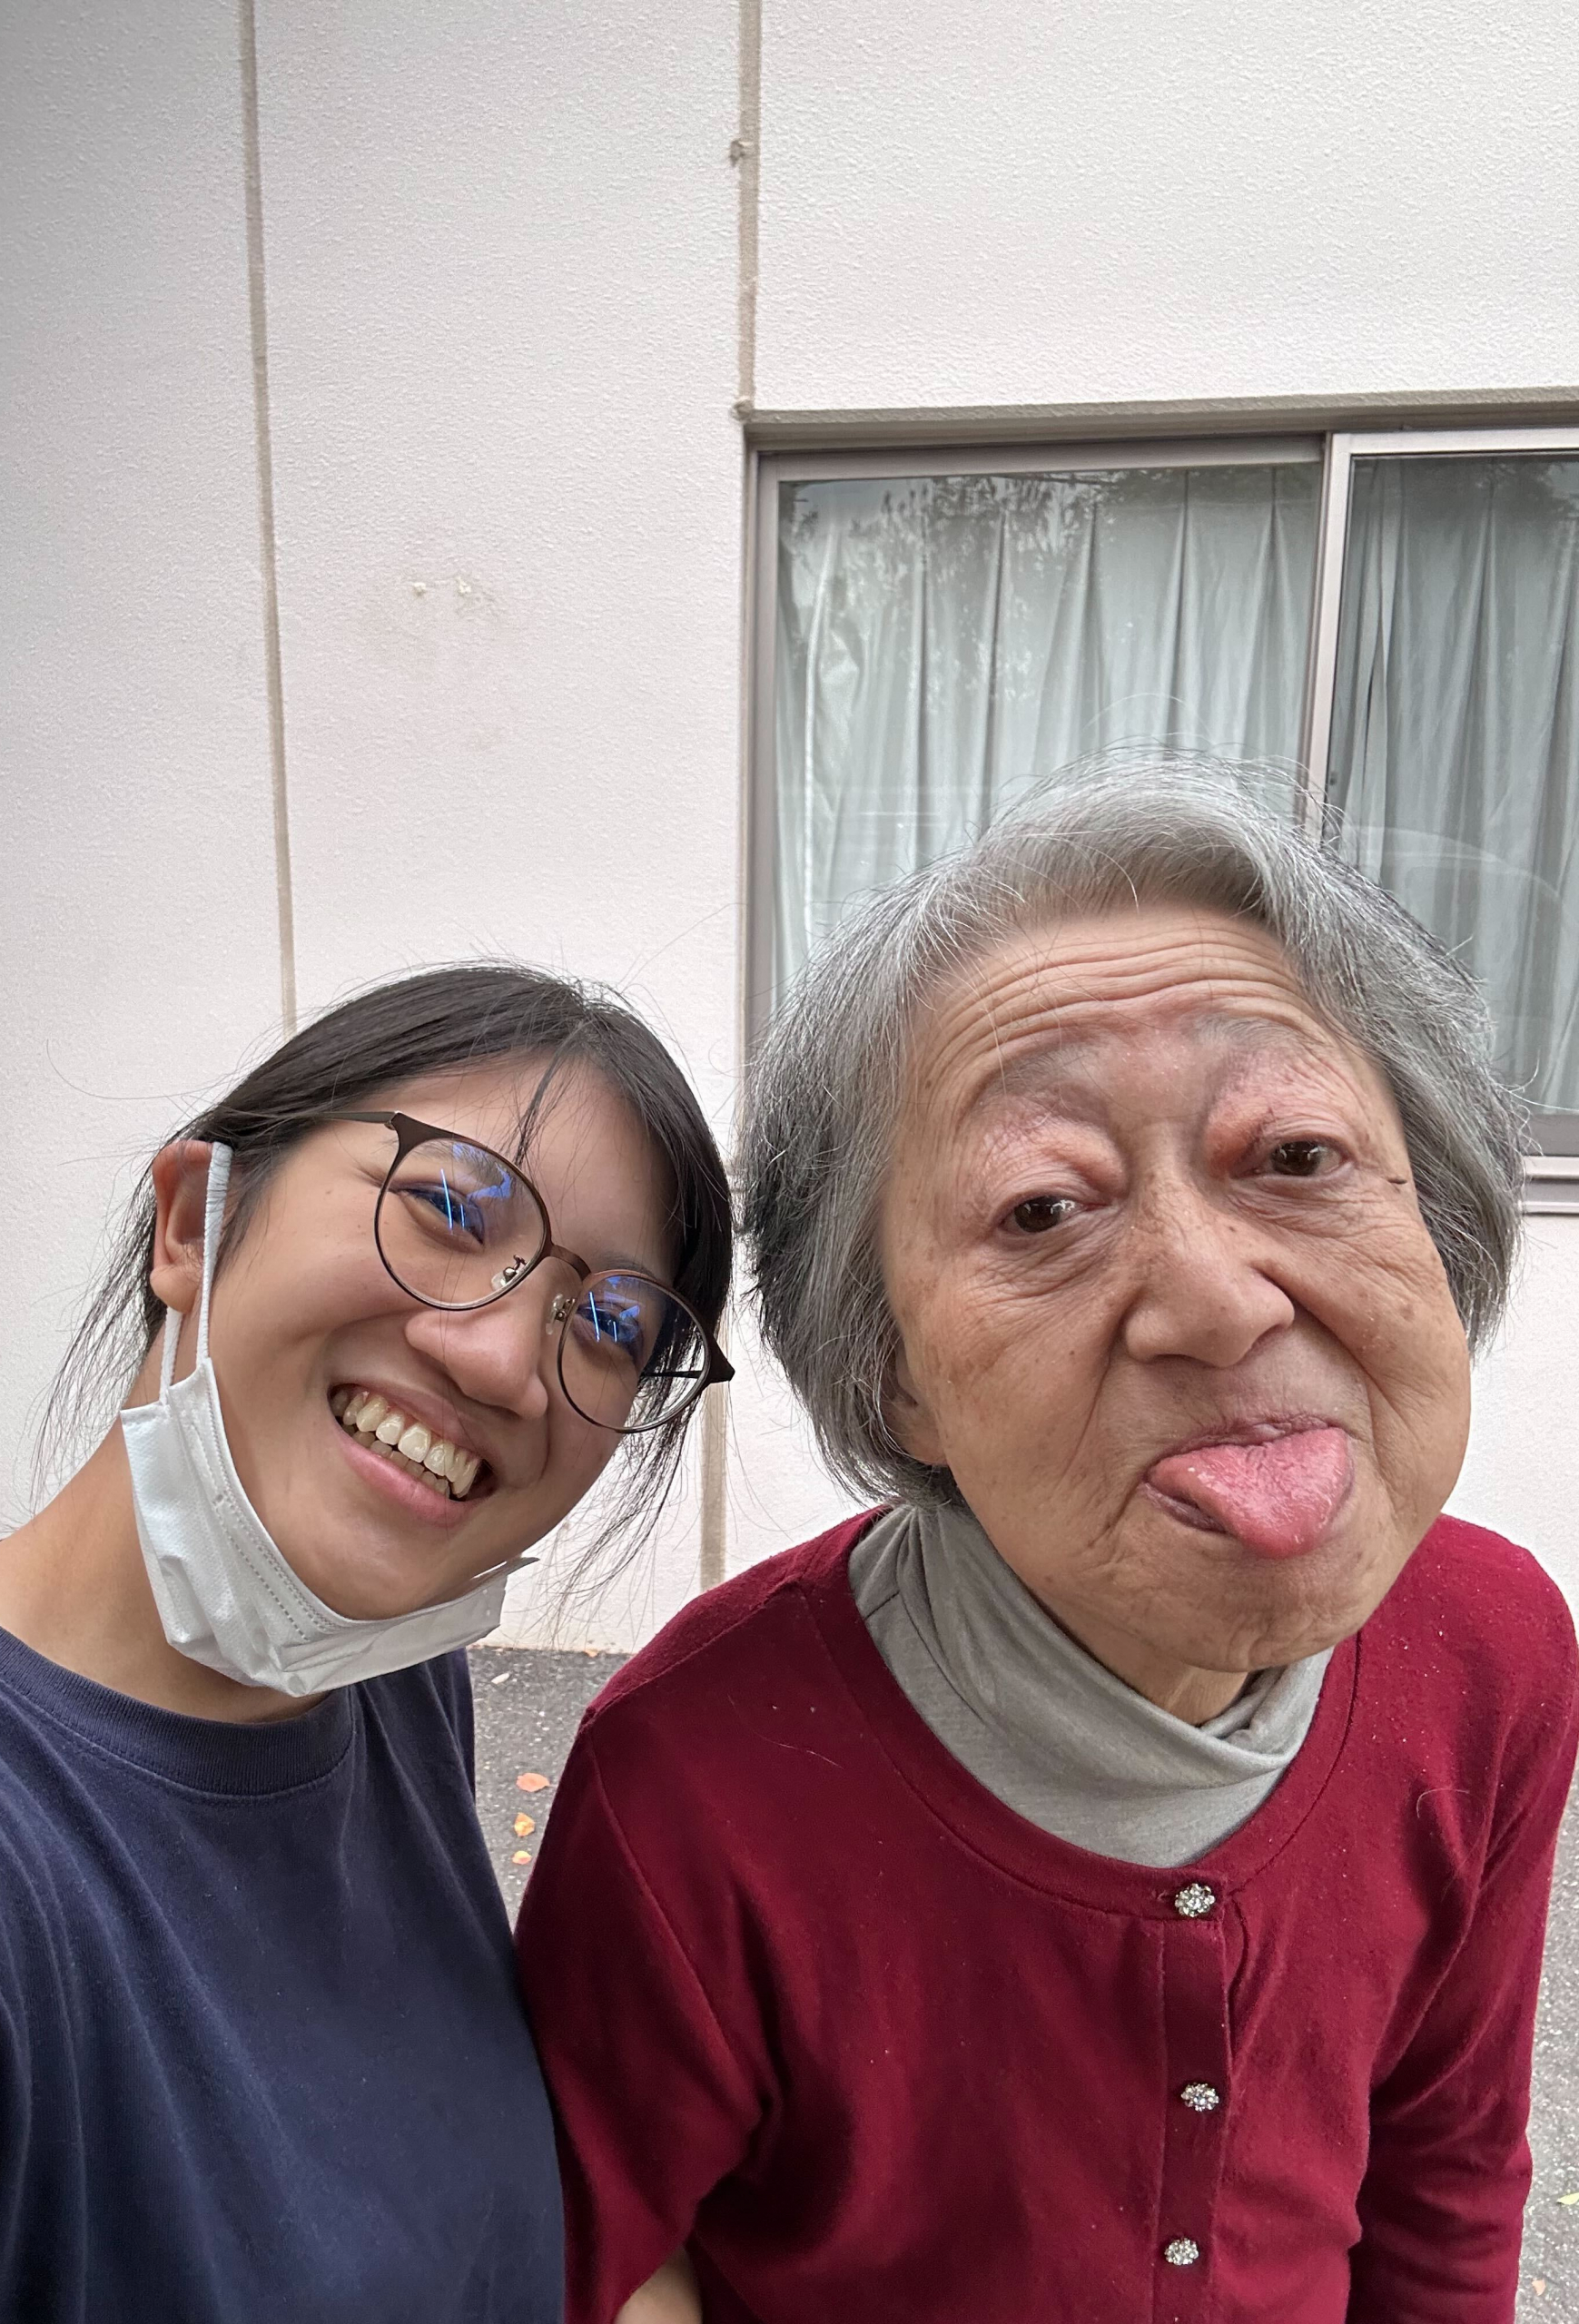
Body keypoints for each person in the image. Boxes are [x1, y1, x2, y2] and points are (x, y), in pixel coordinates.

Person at [518, 765, 1579, 2324]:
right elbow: (585, 2261)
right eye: (1040, 1210)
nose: (1215, 1300)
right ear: (895, 1374)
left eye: (1296, 1157)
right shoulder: (693, 1782)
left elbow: (1445, 2171)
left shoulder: (1496, 1648)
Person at [0, 963, 733, 2324]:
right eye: (450, 1209)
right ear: (191, 1221)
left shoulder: (388, 1680)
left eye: (609, 1322)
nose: (503, 1362)